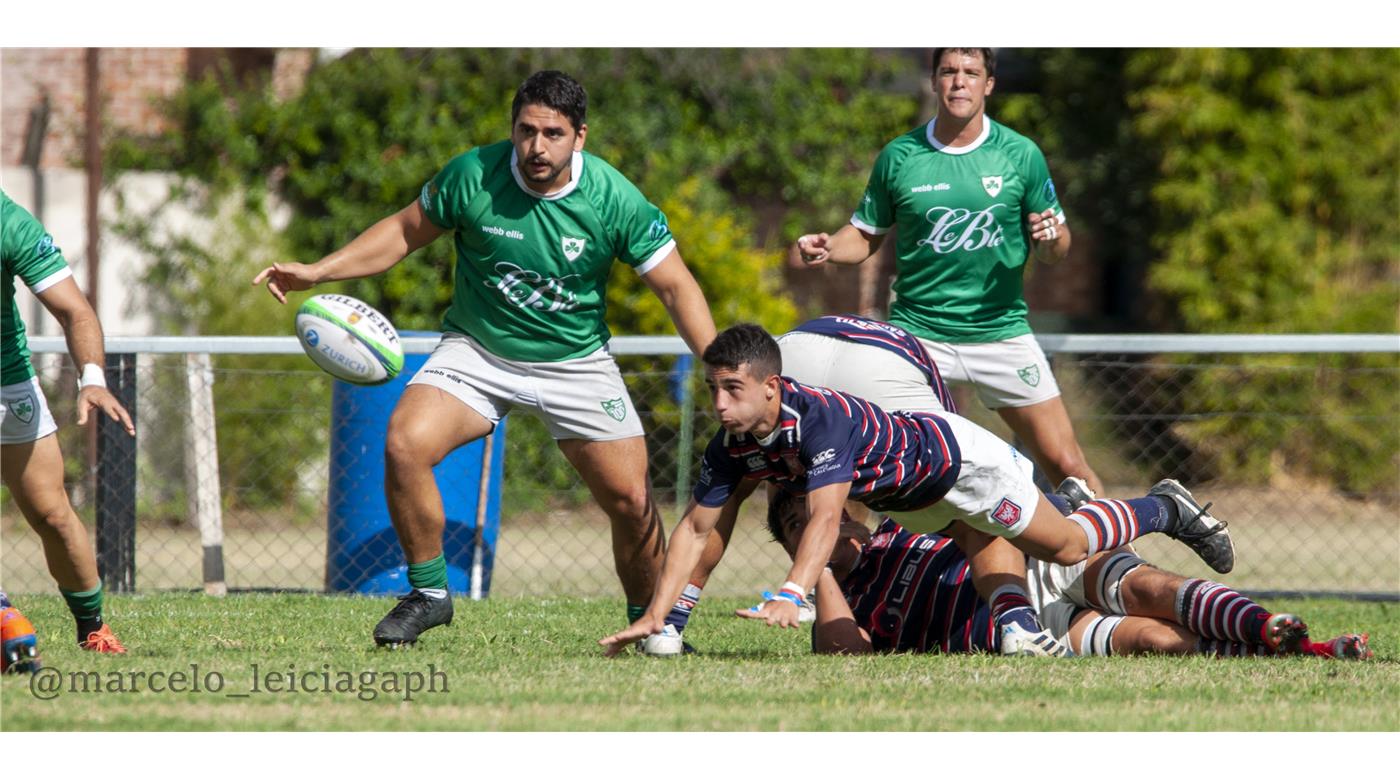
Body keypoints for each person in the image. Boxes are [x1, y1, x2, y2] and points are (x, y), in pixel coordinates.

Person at [253, 70, 717, 648]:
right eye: (526, 131)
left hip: (576, 361)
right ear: (513, 128)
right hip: (477, 351)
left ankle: (654, 626)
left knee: (631, 500)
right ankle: (428, 594)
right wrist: (317, 271)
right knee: (404, 441)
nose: (537, 147)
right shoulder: (473, 175)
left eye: (553, 133)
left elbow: (675, 287)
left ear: (581, 137)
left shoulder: (614, 199)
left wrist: (717, 363)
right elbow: (401, 233)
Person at [600, 323, 1232, 655]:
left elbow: (824, 519)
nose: (718, 402)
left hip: (960, 464)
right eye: (712, 388)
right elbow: (697, 529)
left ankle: (1163, 505)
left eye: (730, 389)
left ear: (771, 386)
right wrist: (663, 616)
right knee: (1012, 546)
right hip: (915, 502)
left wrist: (793, 591)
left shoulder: (819, 418)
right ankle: (1020, 630)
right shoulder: (732, 442)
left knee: (1065, 545)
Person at [645, 314, 1065, 658]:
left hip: (795, 346)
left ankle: (672, 627)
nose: (718, 404)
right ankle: (1018, 618)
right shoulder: (897, 350)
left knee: (755, 483)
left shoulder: (776, 390)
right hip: (881, 362)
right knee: (960, 502)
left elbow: (706, 524)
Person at [795, 47, 1104, 496]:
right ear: (935, 80)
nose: (960, 81)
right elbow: (863, 236)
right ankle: (856, 564)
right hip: (918, 336)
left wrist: (1050, 237)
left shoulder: (1020, 154)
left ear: (989, 83)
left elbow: (1057, 248)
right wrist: (828, 248)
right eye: (949, 72)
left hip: (1000, 333)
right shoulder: (900, 156)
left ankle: (1119, 560)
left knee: (1067, 463)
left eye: (971, 72)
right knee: (865, 459)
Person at [764, 489, 1372, 660]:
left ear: (847, 508)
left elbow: (979, 510)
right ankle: (1301, 648)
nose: (814, 524)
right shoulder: (844, 602)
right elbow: (847, 656)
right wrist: (812, 568)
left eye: (817, 511)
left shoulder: (905, 515)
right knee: (1155, 641)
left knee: (1148, 590)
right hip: (1036, 637)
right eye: (794, 525)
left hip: (1038, 574)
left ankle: (1264, 622)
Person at [1, 189, 132, 656]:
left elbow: (74, 310)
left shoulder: (9, 221)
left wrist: (92, 379)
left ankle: (92, 628)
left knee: (52, 513)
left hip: (6, 385)